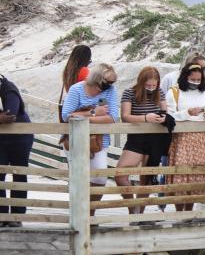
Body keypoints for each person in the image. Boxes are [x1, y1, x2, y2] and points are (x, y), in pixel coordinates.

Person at [60, 64, 120, 214]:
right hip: (75, 141)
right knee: (78, 177)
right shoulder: (76, 89)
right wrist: (94, 113)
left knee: (100, 177)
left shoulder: (110, 91)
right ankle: (79, 213)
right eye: (106, 82)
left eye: (111, 82)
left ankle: (89, 212)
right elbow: (66, 115)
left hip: (99, 141)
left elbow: (112, 117)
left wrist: (84, 117)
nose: (108, 86)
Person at [166, 64, 205, 213]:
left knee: (197, 173)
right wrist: (187, 113)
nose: (195, 82)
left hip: (200, 138)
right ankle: (179, 211)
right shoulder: (174, 92)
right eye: (192, 79)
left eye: (198, 80)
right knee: (181, 172)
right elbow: (169, 115)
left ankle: (189, 212)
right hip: (181, 138)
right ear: (185, 77)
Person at [114, 66, 167, 214]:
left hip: (155, 138)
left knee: (147, 177)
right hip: (136, 138)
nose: (151, 88)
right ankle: (133, 209)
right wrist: (145, 118)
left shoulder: (160, 92)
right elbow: (125, 116)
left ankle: (139, 213)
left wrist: (163, 118)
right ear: (141, 81)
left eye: (154, 85)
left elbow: (165, 112)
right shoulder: (129, 92)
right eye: (148, 85)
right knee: (120, 175)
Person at [0, 74, 33, 227]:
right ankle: (2, 216)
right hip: (2, 139)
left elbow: (10, 115)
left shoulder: (8, 88)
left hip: (20, 137)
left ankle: (16, 216)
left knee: (19, 174)